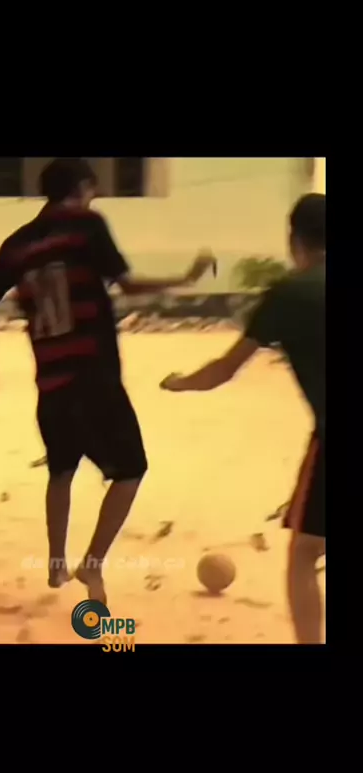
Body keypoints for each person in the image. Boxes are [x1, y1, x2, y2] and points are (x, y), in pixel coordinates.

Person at [0, 158, 216, 604]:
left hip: (50, 379)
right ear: (83, 187)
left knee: (61, 470)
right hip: (92, 374)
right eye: (93, 188)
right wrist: (185, 277)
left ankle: (55, 564)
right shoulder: (86, 226)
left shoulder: (18, 243)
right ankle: (92, 562)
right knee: (130, 470)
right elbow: (127, 284)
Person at [161, 193, 326, 644]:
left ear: (295, 239)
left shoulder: (289, 294)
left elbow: (224, 369)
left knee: (305, 552)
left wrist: (180, 382)